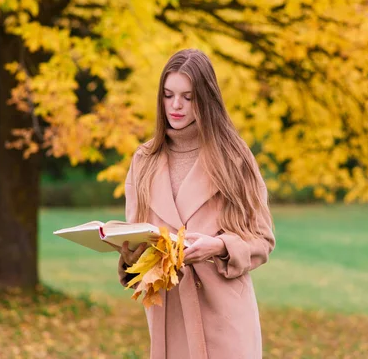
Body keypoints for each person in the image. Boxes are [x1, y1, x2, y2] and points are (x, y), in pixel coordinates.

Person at [116, 48, 276, 359]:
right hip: (169, 316)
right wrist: (129, 252)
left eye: (188, 97)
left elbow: (263, 239)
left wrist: (219, 247)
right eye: (168, 94)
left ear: (206, 99)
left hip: (225, 319)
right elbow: (137, 240)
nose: (176, 106)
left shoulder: (234, 157)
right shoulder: (144, 159)